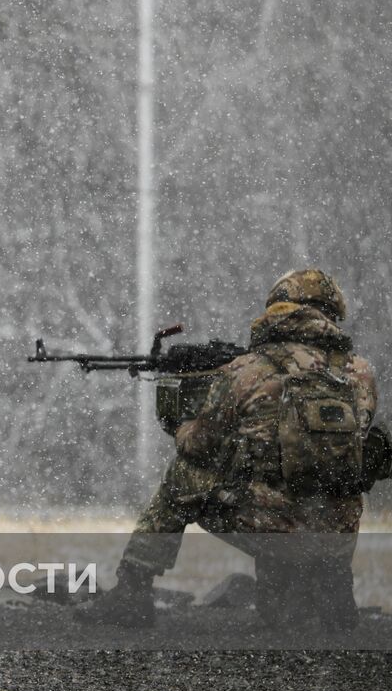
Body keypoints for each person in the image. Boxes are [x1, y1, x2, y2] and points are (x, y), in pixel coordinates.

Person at [78, 269, 378, 629]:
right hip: (333, 536)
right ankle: (332, 586)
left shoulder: (247, 371)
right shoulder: (360, 373)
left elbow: (198, 445)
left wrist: (179, 422)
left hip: (272, 529)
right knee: (285, 615)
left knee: (184, 474)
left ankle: (132, 591)